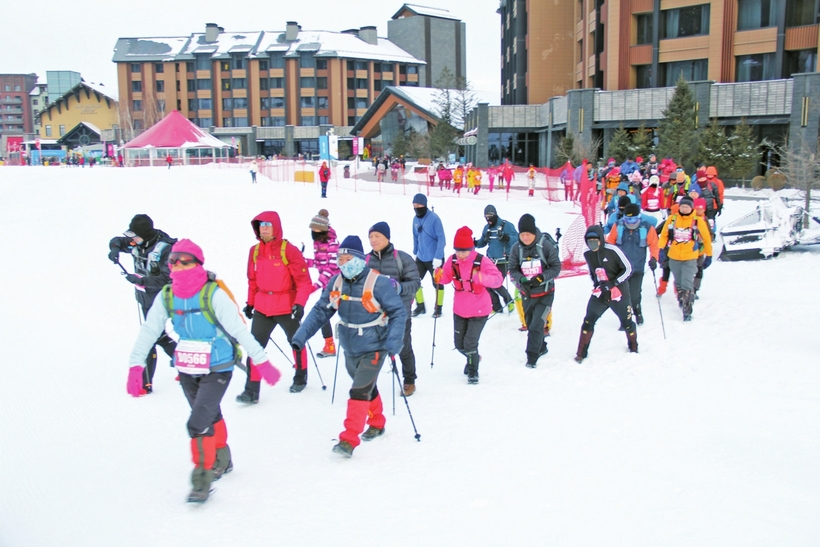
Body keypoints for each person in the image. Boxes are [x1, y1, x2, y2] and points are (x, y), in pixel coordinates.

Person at [126, 239, 281, 503]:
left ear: (198, 264)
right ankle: (222, 458)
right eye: (174, 262)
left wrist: (261, 361)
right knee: (209, 413)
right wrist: (135, 365)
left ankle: (202, 479)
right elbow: (150, 330)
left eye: (185, 261)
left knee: (198, 422)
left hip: (218, 365)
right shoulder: (167, 295)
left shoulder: (213, 294)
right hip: (187, 366)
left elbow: (239, 331)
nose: (179, 267)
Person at [292, 236, 406, 457]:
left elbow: (398, 312)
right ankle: (378, 422)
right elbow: (321, 311)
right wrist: (301, 335)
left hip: (375, 345)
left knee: (359, 390)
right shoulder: (337, 282)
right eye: (340, 259)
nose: (343, 263)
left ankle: (349, 439)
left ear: (360, 259)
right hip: (350, 346)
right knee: (366, 387)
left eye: (348, 258)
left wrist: (394, 340)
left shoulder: (379, 282)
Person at [237, 211, 313, 401]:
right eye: (261, 225)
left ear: (276, 227)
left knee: (296, 342)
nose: (264, 229)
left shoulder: (288, 250)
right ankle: (251, 391)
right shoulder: (254, 251)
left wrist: (299, 304)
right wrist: (250, 303)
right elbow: (252, 280)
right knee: (254, 348)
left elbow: (304, 281)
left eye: (267, 225)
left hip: (287, 306)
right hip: (263, 307)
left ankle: (300, 377)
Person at [108, 214, 177, 393]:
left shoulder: (165, 250)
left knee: (152, 338)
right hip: (146, 300)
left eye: (135, 236)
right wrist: (114, 249)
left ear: (145, 235)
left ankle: (145, 384)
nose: (132, 240)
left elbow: (165, 278)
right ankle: (184, 367)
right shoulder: (136, 242)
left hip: (165, 300)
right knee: (158, 337)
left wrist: (141, 280)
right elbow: (117, 240)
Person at [437, 227, 503, 383]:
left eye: (464, 251)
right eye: (457, 251)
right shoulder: (452, 260)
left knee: (470, 343)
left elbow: (498, 279)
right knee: (459, 344)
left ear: (471, 248)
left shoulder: (482, 261)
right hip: (459, 309)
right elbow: (446, 278)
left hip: (480, 310)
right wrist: (439, 276)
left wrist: (481, 277)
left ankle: (473, 372)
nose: (460, 254)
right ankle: (473, 357)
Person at [366, 222, 421, 395]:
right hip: (374, 314)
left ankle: (409, 379)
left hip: (399, 314)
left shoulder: (402, 259)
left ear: (387, 238)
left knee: (403, 348)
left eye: (377, 236)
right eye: (370, 237)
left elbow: (415, 284)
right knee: (372, 349)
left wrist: (399, 287)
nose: (373, 240)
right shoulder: (366, 260)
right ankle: (367, 382)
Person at [574, 225, 637, 363]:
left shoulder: (612, 250)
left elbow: (628, 268)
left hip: (619, 293)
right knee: (588, 320)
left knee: (627, 323)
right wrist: (597, 284)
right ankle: (581, 353)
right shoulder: (587, 254)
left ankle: (633, 347)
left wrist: (614, 282)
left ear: (601, 239)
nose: (592, 243)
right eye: (589, 240)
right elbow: (592, 271)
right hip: (601, 294)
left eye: (595, 240)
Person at [509, 214, 561, 368]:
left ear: (534, 233)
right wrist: (521, 280)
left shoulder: (545, 246)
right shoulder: (516, 248)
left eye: (528, 234)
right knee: (531, 322)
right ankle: (541, 346)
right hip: (527, 294)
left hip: (545, 293)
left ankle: (532, 357)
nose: (525, 238)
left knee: (537, 324)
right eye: (522, 234)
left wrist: (541, 278)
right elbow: (512, 269)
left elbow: (556, 267)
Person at [657, 196, 713, 321]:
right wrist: (661, 249)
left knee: (687, 283)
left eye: (687, 207)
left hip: (690, 256)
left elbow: (706, 238)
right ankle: (681, 300)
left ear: (691, 208)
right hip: (674, 256)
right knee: (679, 283)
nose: (684, 208)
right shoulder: (672, 219)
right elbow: (664, 235)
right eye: (682, 206)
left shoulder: (698, 221)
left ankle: (687, 310)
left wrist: (709, 255)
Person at [606, 203, 659, 326]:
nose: (630, 222)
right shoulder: (618, 226)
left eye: (633, 218)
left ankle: (637, 310)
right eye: (628, 219)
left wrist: (654, 258)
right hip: (620, 268)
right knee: (622, 295)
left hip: (637, 268)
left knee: (634, 294)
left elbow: (654, 245)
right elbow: (610, 243)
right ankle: (626, 318)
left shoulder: (647, 228)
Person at [304, 209, 339, 357]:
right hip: (327, 286)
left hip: (339, 286)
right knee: (323, 315)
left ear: (322, 230)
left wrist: (315, 286)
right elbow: (319, 263)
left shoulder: (333, 244)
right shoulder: (318, 242)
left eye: (315, 229)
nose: (312, 232)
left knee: (349, 314)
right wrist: (302, 262)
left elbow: (331, 269)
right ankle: (329, 345)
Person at [474, 205, 517, 314]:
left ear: (495, 215)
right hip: (490, 261)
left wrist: (507, 238)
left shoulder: (506, 225)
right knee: (486, 284)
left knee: (495, 283)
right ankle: (496, 307)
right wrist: (475, 243)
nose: (488, 219)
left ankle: (509, 300)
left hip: (503, 260)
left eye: (490, 216)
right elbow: (483, 241)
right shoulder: (487, 228)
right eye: (486, 216)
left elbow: (517, 238)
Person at [411, 193, 446, 318]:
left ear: (424, 205)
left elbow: (441, 239)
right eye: (414, 205)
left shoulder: (434, 219)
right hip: (421, 257)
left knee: (437, 283)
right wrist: (415, 252)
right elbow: (415, 236)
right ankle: (420, 306)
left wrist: (438, 257)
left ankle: (438, 308)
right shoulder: (415, 219)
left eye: (418, 205)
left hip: (435, 258)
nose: (416, 208)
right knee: (413, 280)